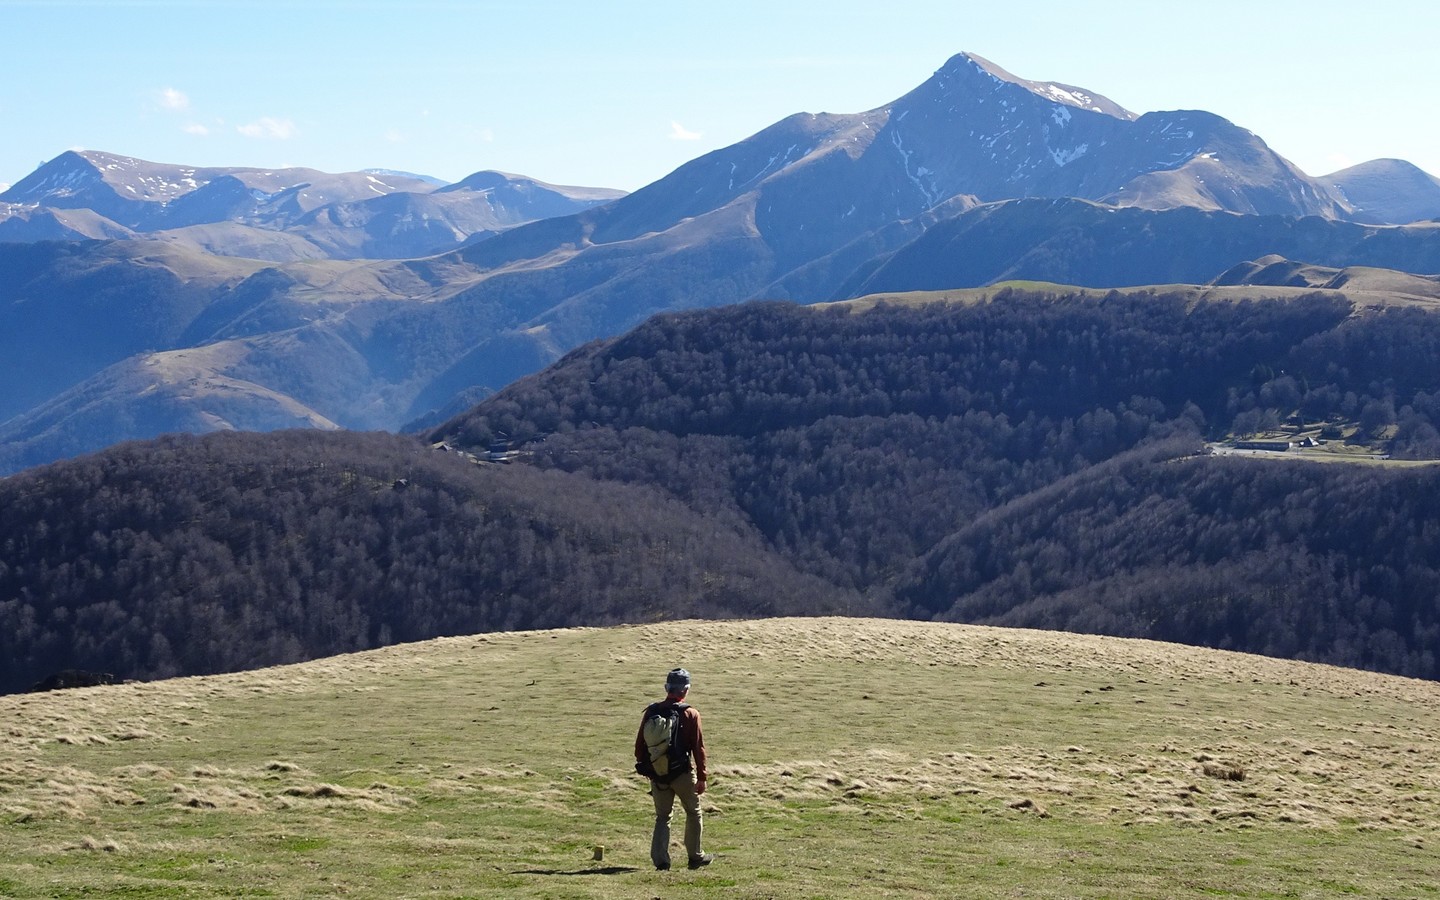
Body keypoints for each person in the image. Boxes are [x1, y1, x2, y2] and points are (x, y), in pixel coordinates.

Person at [635, 667, 713, 871]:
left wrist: (650, 769)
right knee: (693, 812)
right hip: (683, 774)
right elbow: (698, 748)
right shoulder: (691, 713)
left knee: (663, 817)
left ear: (666, 688)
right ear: (685, 690)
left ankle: (661, 861)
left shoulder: (652, 711)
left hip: (658, 774)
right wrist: (702, 777)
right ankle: (695, 857)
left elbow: (639, 745)